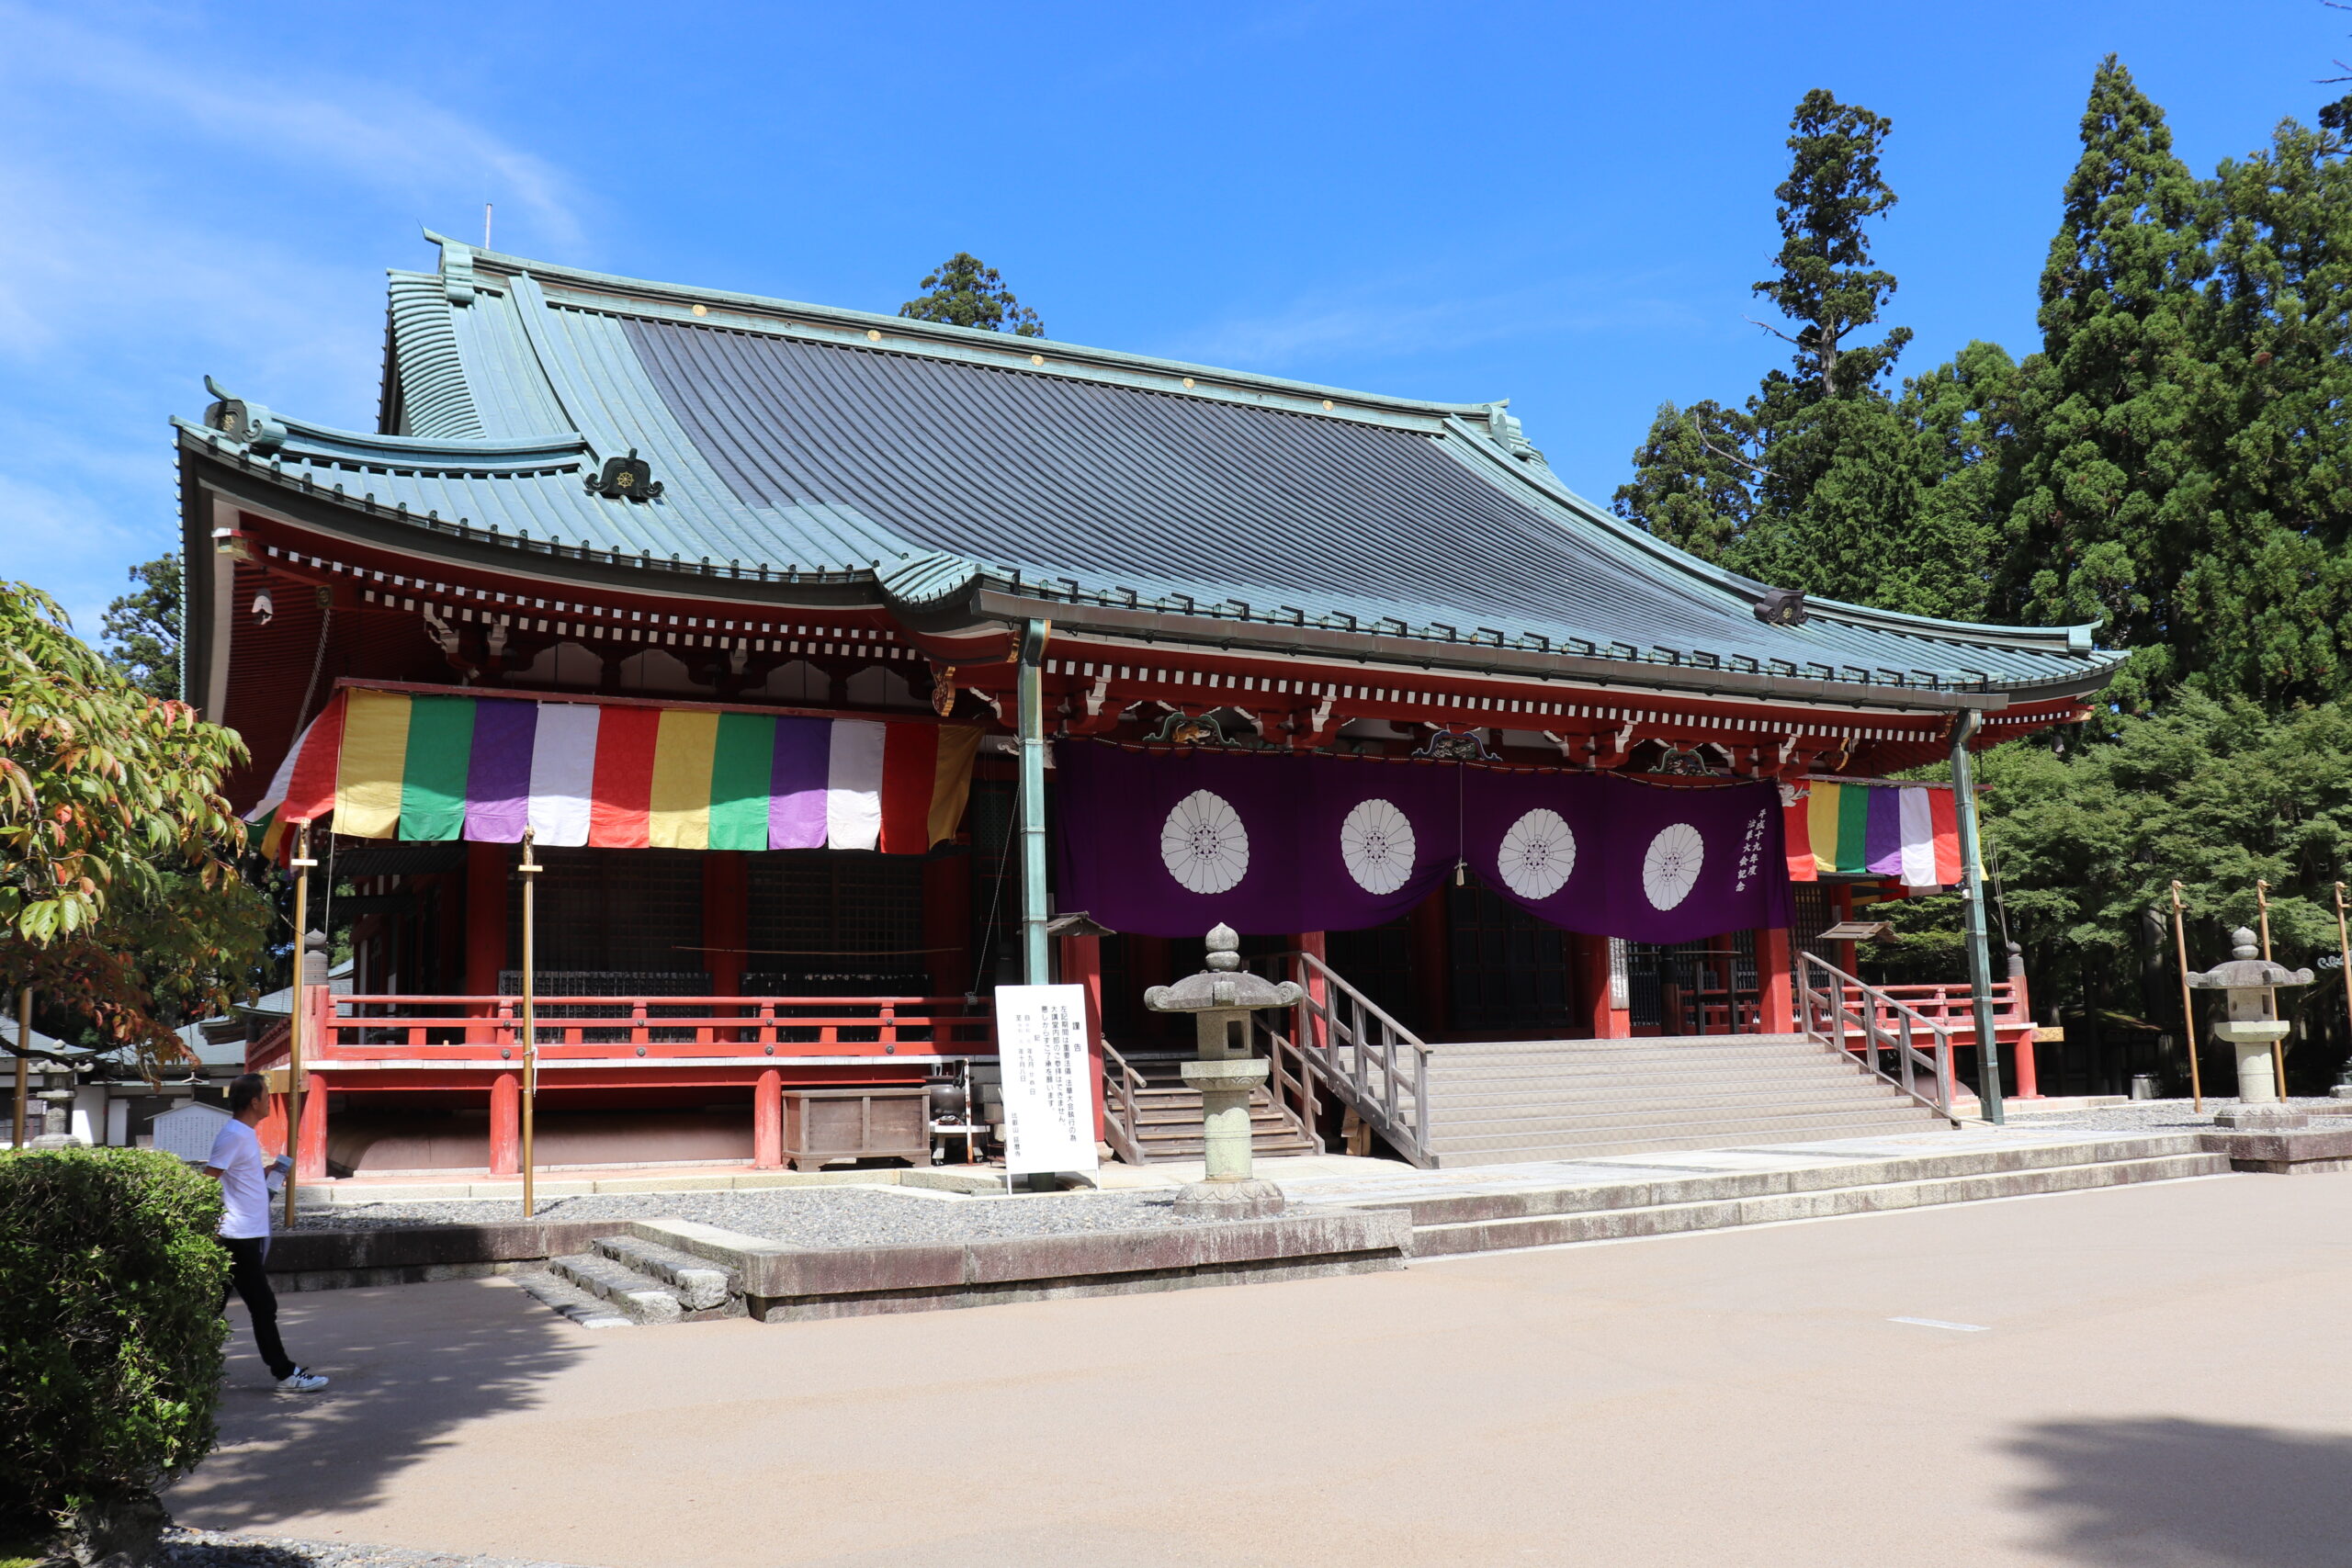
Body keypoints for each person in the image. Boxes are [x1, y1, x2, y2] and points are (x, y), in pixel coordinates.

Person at [205, 1074, 329, 1393]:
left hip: (243, 1232)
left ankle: (187, 1365)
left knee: (212, 1307)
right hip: (236, 1235)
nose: (269, 1099)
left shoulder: (243, 1134)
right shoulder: (234, 1134)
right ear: (254, 1102)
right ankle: (285, 1373)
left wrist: (266, 1174)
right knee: (263, 1306)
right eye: (265, 1093)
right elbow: (208, 1179)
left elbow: (235, 1175)